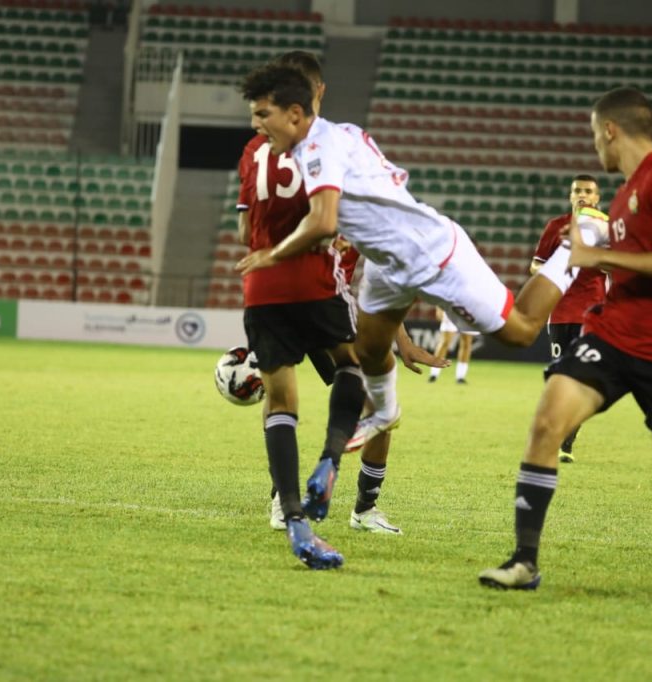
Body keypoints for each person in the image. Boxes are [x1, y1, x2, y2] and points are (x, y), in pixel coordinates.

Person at [236, 64, 609, 464]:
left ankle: (575, 249)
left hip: (430, 253)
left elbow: (323, 219)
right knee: (370, 346)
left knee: (520, 330)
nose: (256, 125)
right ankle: (383, 413)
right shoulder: (337, 133)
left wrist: (272, 255)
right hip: (389, 262)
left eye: (262, 115)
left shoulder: (317, 148)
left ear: (294, 113)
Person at [479, 87, 652, 601]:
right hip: (611, 332)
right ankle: (525, 559)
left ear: (610, 130)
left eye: (595, 136)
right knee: (548, 421)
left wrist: (601, 259)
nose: (596, 148)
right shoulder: (620, 197)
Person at [239, 52, 437, 568]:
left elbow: (244, 233)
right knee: (365, 377)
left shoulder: (253, 153)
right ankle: (335, 471)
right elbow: (365, 235)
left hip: (262, 291)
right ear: (308, 101)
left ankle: (291, 511)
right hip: (317, 286)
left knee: (280, 403)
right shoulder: (331, 149)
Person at [530, 174, 609, 463]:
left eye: (588, 191)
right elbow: (535, 266)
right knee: (559, 377)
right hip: (560, 311)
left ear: (597, 198)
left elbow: (620, 265)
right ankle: (558, 431)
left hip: (593, 313)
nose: (582, 195)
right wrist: (559, 267)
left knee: (584, 376)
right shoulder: (556, 226)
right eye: (577, 190)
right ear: (570, 195)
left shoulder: (607, 227)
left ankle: (567, 440)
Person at [428, 307, 479, 384]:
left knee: (466, 343)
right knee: (445, 342)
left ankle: (460, 377)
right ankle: (434, 374)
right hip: (451, 309)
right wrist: (439, 308)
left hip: (468, 311)